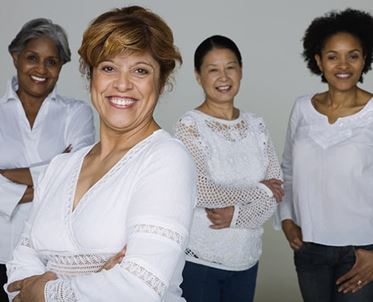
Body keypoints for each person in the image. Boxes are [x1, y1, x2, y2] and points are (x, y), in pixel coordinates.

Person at [5, 5, 196, 302]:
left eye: (140, 70)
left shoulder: (166, 159)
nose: (122, 83)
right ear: (91, 76)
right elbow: (19, 268)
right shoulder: (61, 166)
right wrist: (99, 279)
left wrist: (41, 291)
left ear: (161, 81)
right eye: (108, 68)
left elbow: (140, 289)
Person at [175, 35, 284, 302]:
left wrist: (234, 217)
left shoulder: (256, 125)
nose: (223, 77)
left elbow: (277, 191)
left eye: (230, 67)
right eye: (213, 69)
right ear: (198, 76)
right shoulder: (189, 126)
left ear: (241, 71)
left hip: (246, 258)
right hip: (201, 261)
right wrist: (260, 189)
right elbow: (201, 192)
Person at [276, 8, 373, 302]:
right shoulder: (303, 108)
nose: (343, 65)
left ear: (365, 59)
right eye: (333, 56)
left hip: (361, 251)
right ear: (318, 61)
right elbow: (288, 170)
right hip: (310, 249)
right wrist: (287, 219)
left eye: (353, 55)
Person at [0, 18, 95, 301]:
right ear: (16, 57)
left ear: (61, 66)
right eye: (32, 58)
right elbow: (64, 177)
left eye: (51, 62)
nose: (41, 69)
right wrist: (56, 169)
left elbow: (81, 176)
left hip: (51, 258)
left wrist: (8, 177)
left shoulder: (76, 113)